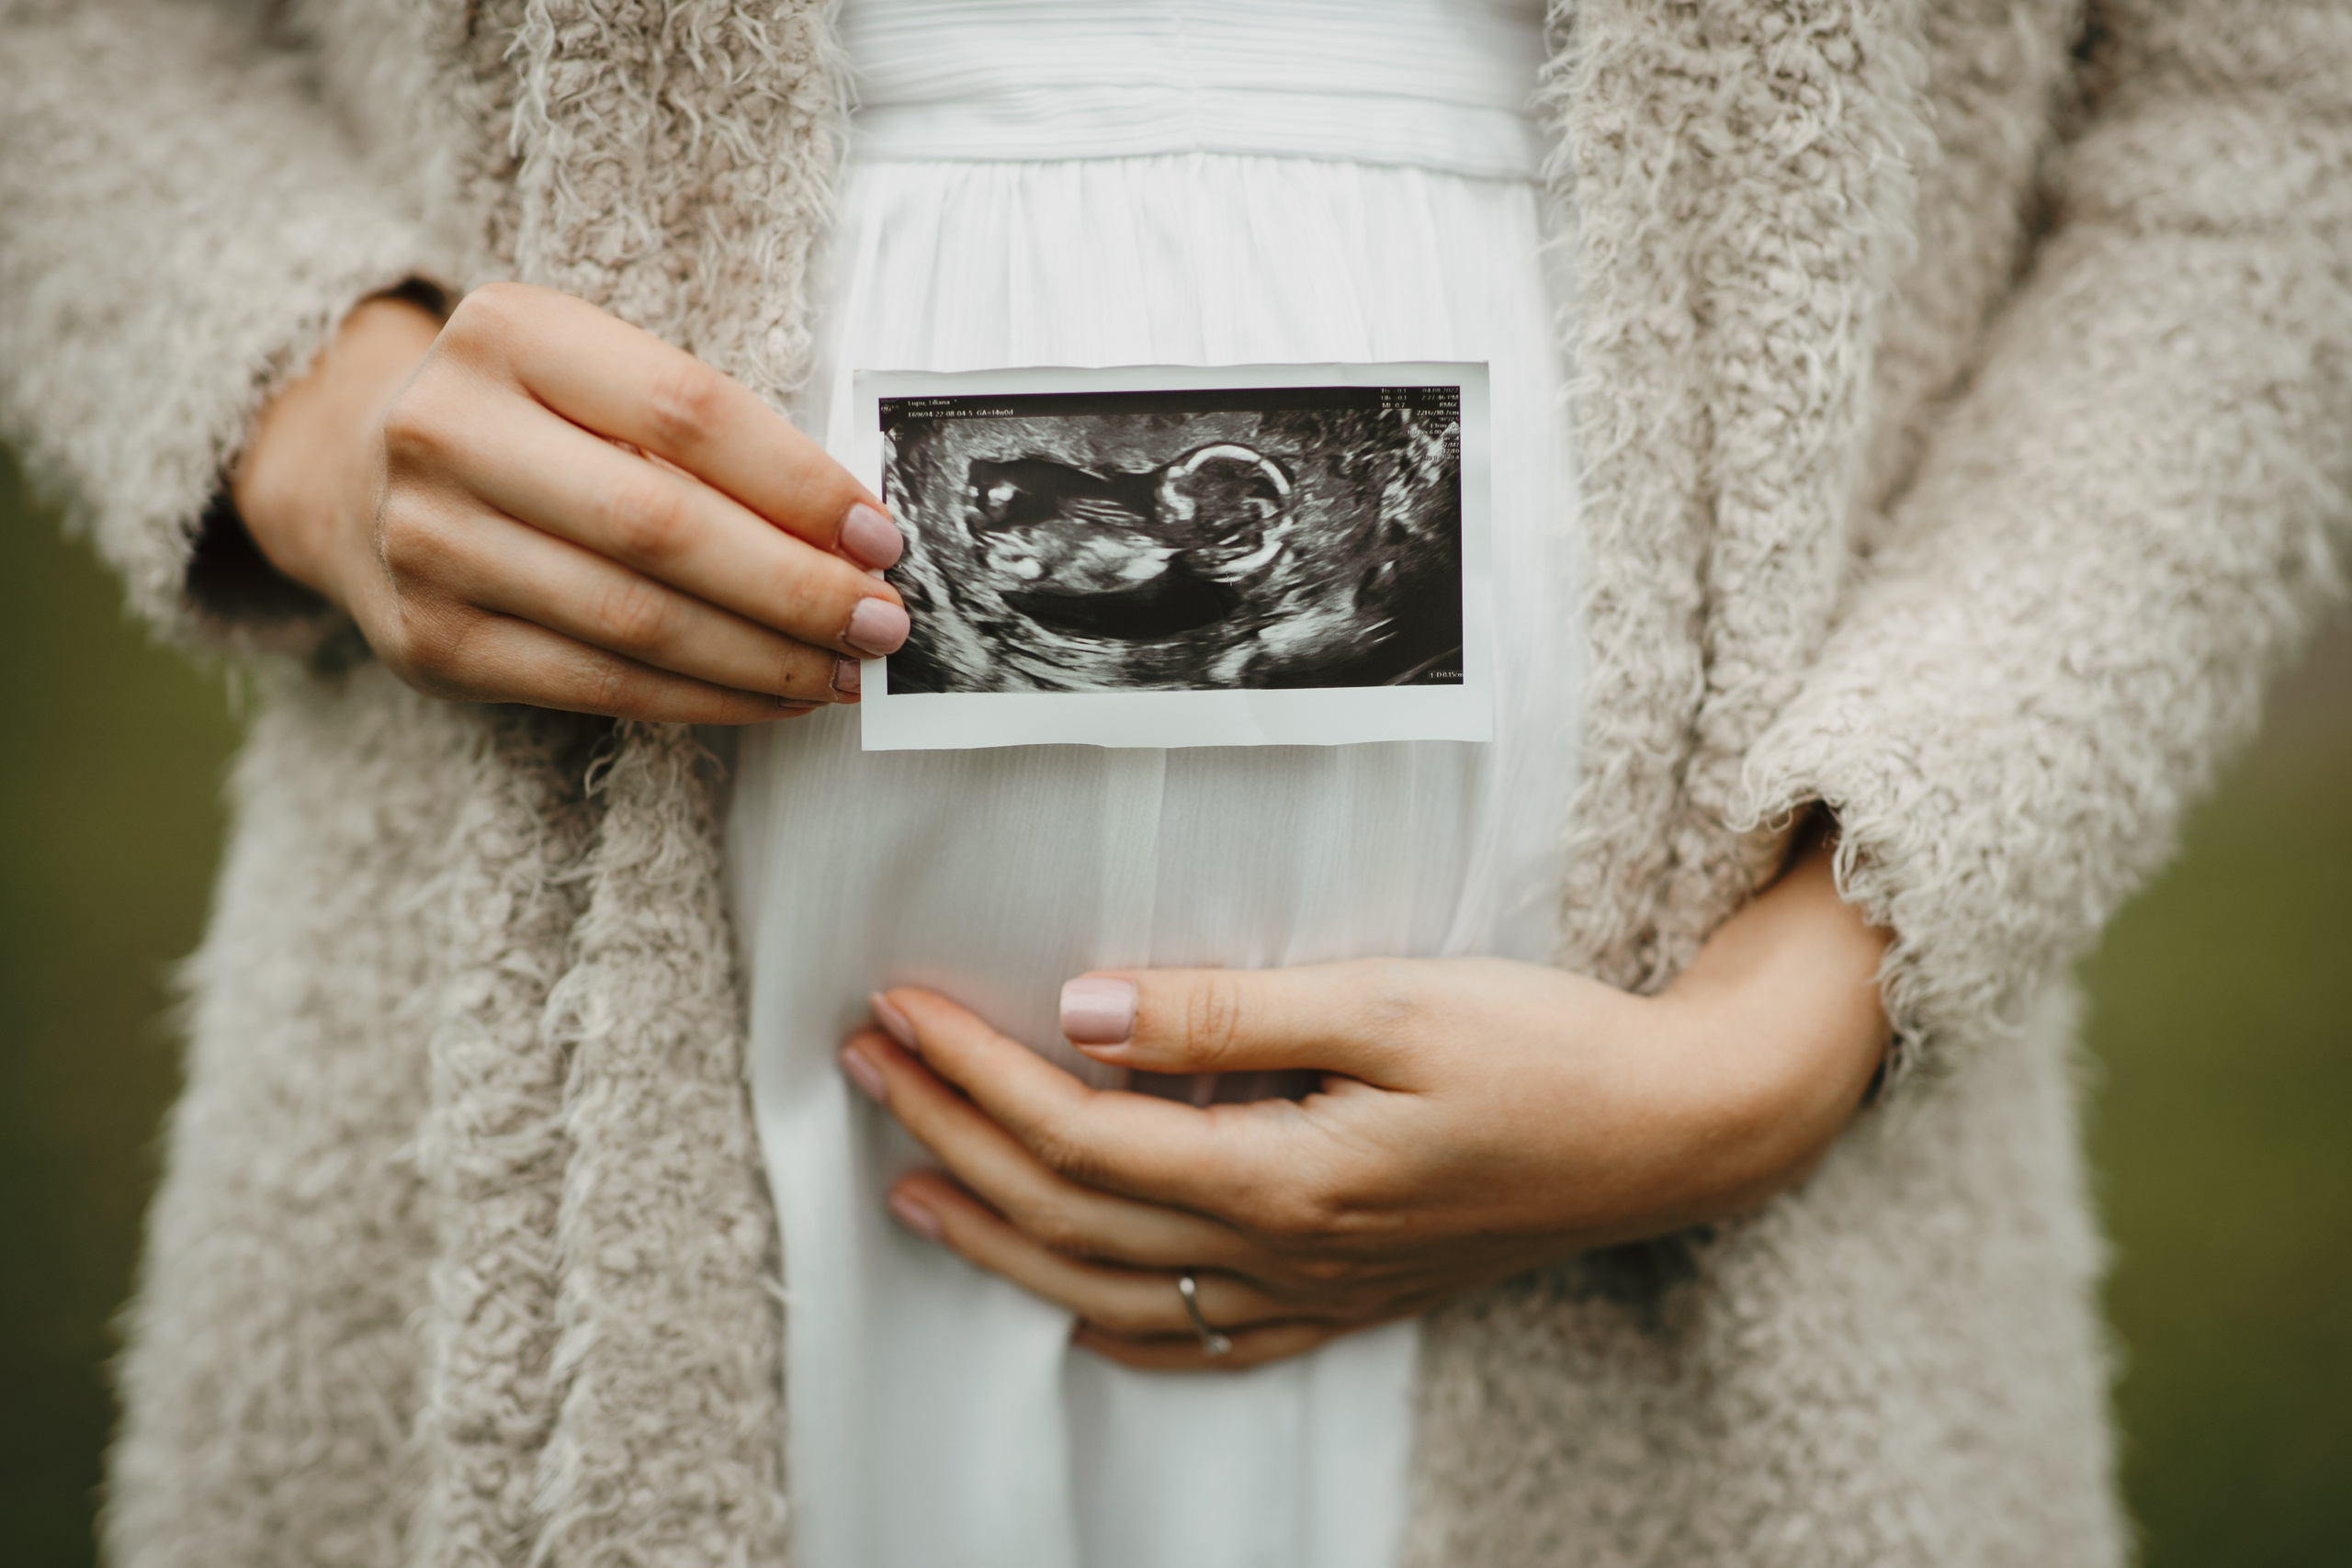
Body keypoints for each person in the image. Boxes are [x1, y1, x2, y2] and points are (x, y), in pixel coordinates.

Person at [1, 1, 2345, 1565]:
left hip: (1656, 1221)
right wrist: (302, 400)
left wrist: (1777, 1035)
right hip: (605, 1102)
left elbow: (2272, 132)